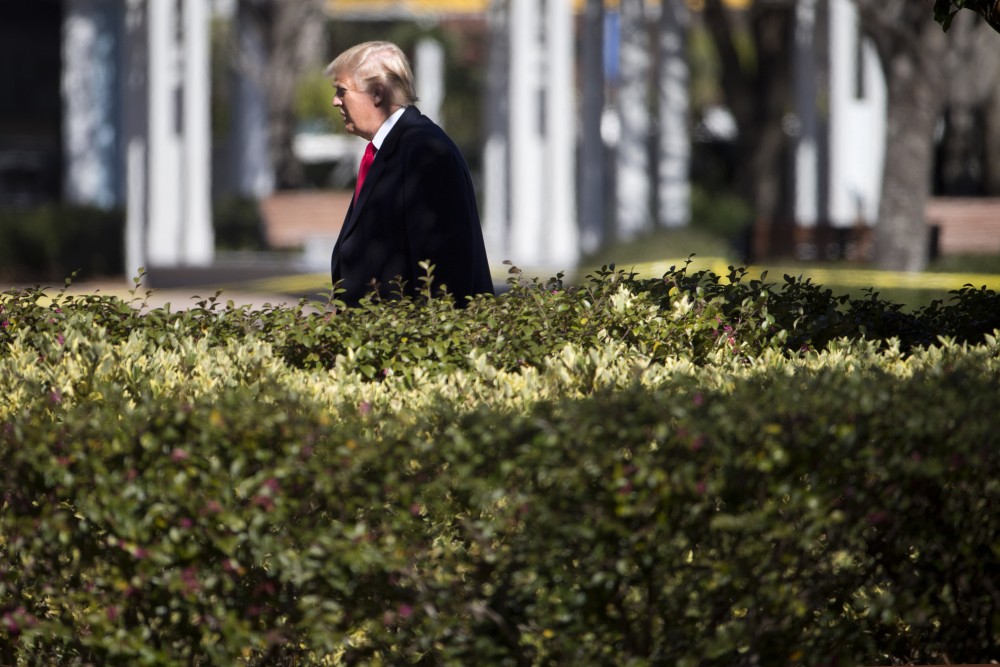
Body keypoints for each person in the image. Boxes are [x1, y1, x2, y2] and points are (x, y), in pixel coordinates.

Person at [325, 41, 494, 307]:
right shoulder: (395, 147)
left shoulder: (425, 152)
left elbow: (443, 271)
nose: (335, 101)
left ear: (377, 93)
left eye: (341, 90)